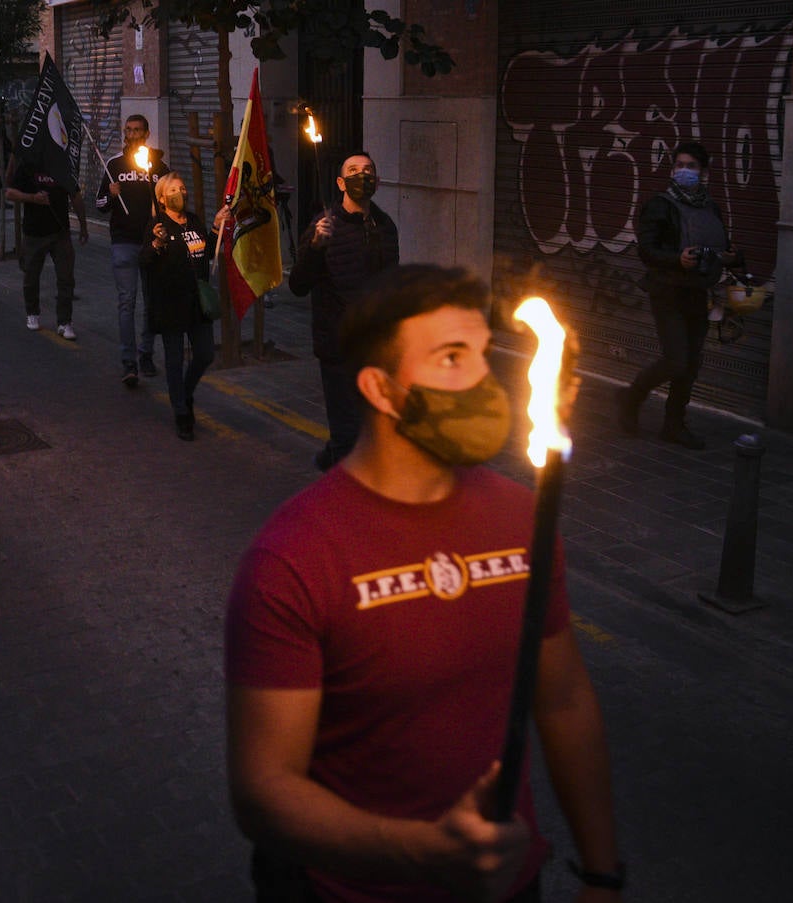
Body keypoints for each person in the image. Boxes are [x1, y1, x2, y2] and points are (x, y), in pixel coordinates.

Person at [225, 264, 622, 903]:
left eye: (483, 356)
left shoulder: (524, 519)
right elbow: (264, 791)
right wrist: (421, 852)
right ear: (382, 390)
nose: (483, 381)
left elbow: (565, 701)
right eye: (450, 358)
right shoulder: (292, 560)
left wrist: (603, 873)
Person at [617, 140, 741, 450]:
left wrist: (729, 256)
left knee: (691, 362)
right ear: (672, 169)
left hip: (698, 291)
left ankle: (674, 424)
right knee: (675, 360)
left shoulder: (709, 206)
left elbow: (718, 244)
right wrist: (677, 259)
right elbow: (647, 249)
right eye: (679, 165)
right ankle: (632, 396)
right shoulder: (660, 205)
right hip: (667, 290)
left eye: (692, 166)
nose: (684, 171)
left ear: (704, 172)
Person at [289, 151, 399, 471]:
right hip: (337, 345)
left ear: (376, 182)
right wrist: (315, 247)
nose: (360, 176)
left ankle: (331, 456)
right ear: (340, 182)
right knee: (348, 431)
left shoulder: (385, 226)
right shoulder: (324, 228)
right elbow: (298, 285)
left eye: (367, 171)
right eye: (353, 170)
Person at [140, 173, 228, 440]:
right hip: (170, 303)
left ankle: (186, 393)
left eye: (183, 187)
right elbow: (144, 261)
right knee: (174, 359)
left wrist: (215, 227)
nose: (181, 193)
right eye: (174, 190)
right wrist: (157, 244)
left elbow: (206, 250)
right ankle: (181, 412)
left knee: (205, 354)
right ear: (162, 198)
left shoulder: (194, 221)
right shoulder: (158, 225)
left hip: (197, 302)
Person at [96, 114, 169, 386]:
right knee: (127, 302)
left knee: (151, 302)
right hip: (124, 241)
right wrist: (111, 194)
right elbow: (100, 204)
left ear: (147, 133)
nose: (133, 134)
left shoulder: (158, 166)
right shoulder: (114, 165)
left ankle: (146, 354)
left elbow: (172, 202)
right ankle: (129, 361)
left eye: (138, 130)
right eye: (129, 130)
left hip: (151, 243)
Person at [6, 155, 88, 339]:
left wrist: (83, 225)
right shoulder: (28, 165)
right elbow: (10, 193)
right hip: (35, 232)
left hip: (60, 231)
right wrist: (32, 198)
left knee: (66, 277)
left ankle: (65, 321)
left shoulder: (63, 165)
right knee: (31, 275)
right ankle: (32, 312)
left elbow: (75, 195)